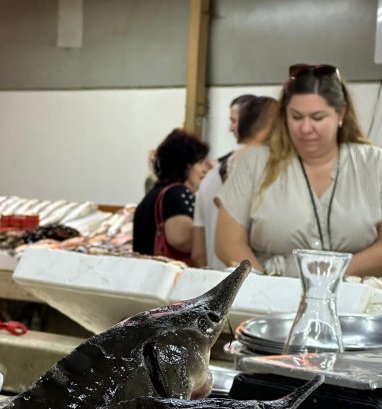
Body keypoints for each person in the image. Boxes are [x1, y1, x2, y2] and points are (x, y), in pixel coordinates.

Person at [215, 64, 382, 277]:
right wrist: (264, 287)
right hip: (272, 295)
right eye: (296, 117)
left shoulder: (374, 164)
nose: (305, 128)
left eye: (317, 117)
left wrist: (329, 278)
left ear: (340, 113)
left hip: (356, 300)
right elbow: (227, 242)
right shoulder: (254, 164)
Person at [192, 96, 277, 268]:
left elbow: (198, 254)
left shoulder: (209, 177)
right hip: (257, 286)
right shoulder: (267, 173)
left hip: (217, 286)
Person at [133, 128, 210, 264]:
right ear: (185, 165)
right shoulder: (178, 194)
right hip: (166, 279)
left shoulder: (155, 193)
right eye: (199, 162)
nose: (205, 169)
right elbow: (182, 240)